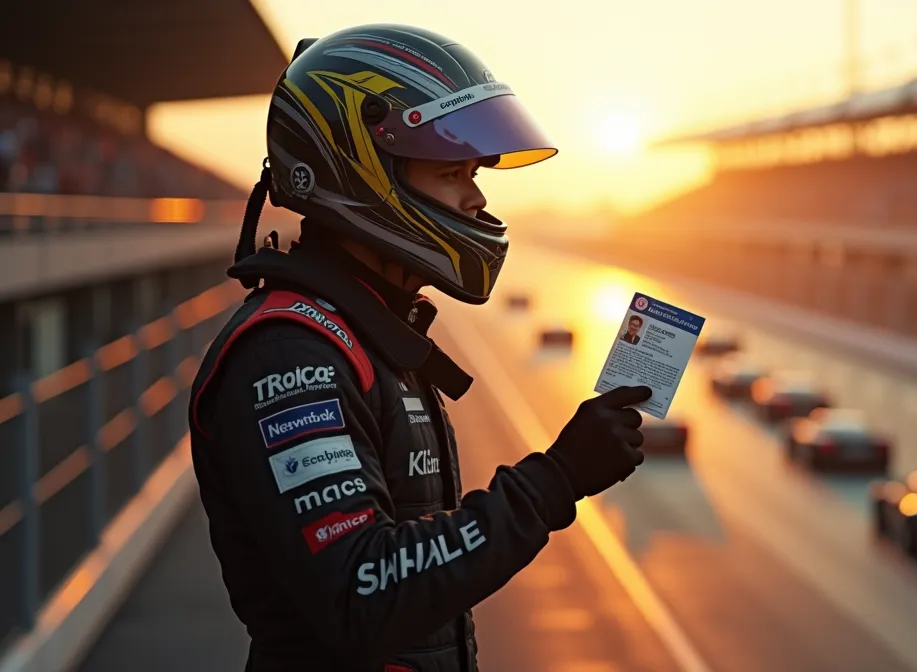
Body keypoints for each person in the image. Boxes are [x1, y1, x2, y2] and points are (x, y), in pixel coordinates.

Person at [187, 25, 651, 672]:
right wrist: (557, 479)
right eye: (451, 172)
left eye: (474, 173)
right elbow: (363, 592)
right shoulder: (290, 355)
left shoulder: (368, 334)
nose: (477, 197)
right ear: (362, 172)